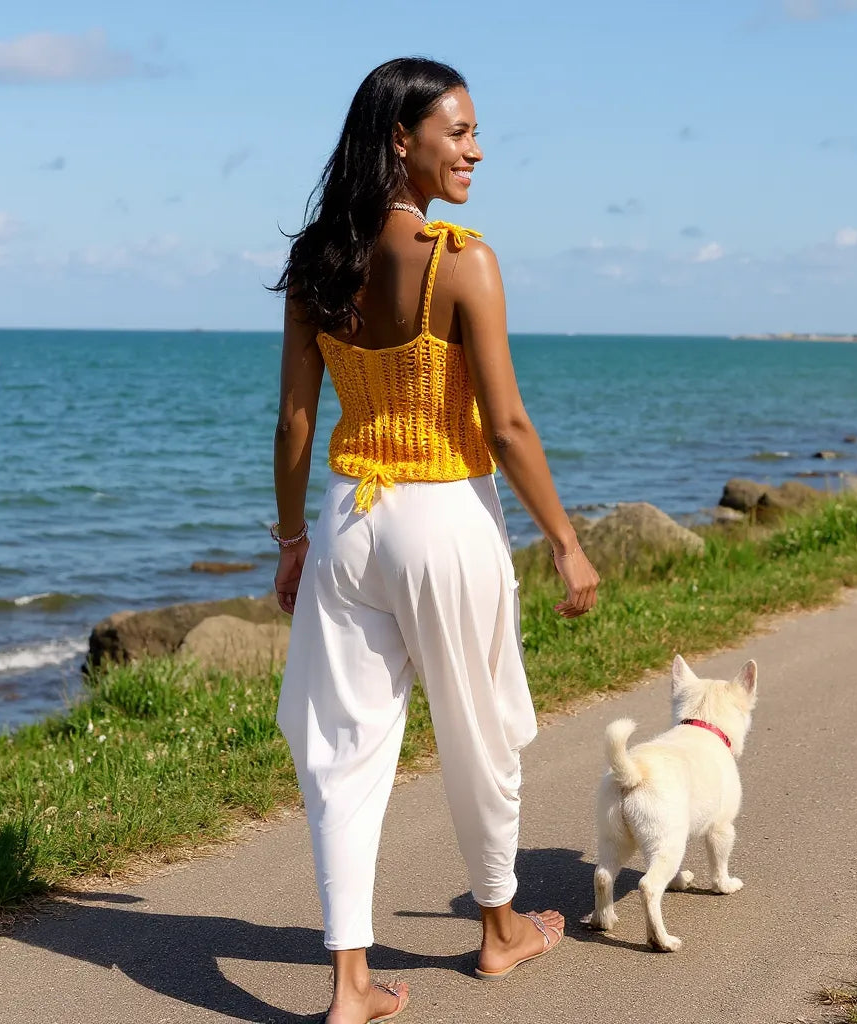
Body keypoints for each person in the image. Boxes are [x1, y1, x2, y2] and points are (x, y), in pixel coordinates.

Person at [270, 57, 600, 1024]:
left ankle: (351, 985)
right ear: (401, 142)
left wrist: (291, 540)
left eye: (472, 131)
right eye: (458, 133)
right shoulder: (462, 259)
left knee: (341, 750)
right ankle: (500, 932)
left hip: (347, 523)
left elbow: (294, 425)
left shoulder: (317, 264)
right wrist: (566, 543)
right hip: (446, 519)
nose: (476, 149)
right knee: (480, 728)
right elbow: (506, 428)